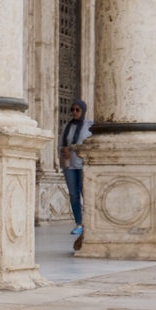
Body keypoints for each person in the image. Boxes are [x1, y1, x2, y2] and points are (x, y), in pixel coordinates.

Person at [60, 99, 92, 236]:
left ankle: (90, 223)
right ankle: (79, 224)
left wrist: (76, 149)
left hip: (84, 165)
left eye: (77, 110)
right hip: (70, 165)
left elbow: (91, 144)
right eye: (72, 109)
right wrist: (64, 150)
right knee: (74, 195)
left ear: (83, 111)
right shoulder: (67, 127)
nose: (74, 112)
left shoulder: (89, 125)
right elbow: (61, 144)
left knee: (87, 194)